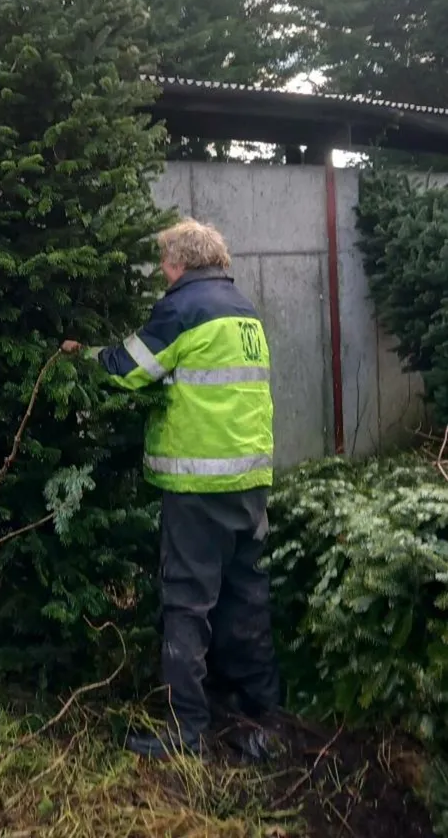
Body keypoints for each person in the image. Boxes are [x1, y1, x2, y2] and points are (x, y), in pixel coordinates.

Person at [63, 218, 280, 759]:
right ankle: (264, 713)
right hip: (250, 481)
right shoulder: (244, 311)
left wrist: (82, 356)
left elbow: (129, 368)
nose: (161, 271)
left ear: (182, 261)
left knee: (187, 603)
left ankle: (187, 733)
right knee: (246, 595)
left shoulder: (184, 307)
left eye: (164, 261)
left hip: (198, 486)